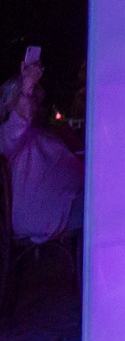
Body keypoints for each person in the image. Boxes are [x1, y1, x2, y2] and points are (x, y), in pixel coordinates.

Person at [1, 53, 83, 244]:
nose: (34, 106)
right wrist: (27, 83)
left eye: (37, 100)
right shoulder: (7, 134)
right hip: (45, 213)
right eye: (30, 99)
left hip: (67, 202)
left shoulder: (44, 133)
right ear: (10, 104)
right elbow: (21, 118)